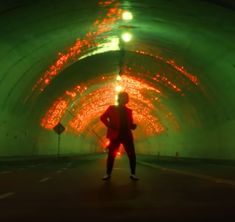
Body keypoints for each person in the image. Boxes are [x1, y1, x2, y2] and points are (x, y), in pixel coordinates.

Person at [100, 91, 139, 181]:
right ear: (119, 98)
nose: (125, 99)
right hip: (115, 135)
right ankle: (107, 174)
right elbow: (102, 117)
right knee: (111, 155)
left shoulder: (129, 111)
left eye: (126, 97)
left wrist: (133, 126)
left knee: (132, 155)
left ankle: (133, 174)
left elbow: (129, 123)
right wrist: (109, 125)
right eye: (123, 97)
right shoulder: (111, 108)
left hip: (127, 135)